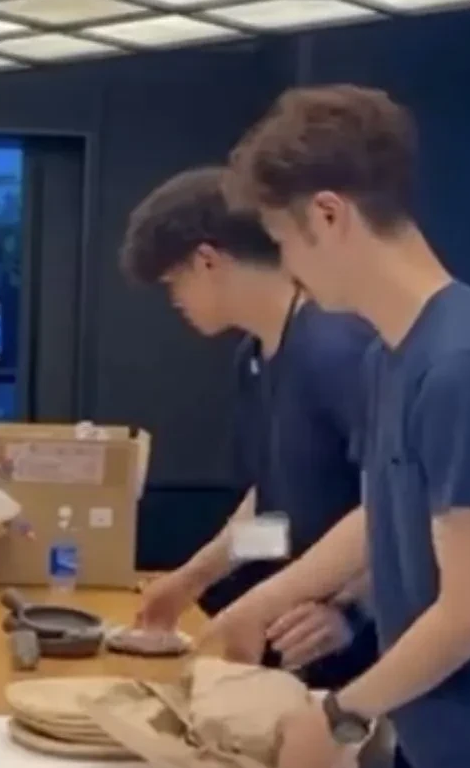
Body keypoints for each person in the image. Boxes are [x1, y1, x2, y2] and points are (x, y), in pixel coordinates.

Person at [206, 84, 470, 768]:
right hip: (439, 764)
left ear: (329, 215)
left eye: (284, 243)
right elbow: (376, 515)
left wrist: (341, 713)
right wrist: (250, 605)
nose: (289, 268)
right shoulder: (395, 356)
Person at [123, 166, 377, 690]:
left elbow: (404, 505)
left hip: (371, 644)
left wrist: (353, 608)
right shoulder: (253, 358)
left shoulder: (336, 347)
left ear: (207, 261)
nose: (175, 302)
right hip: (300, 636)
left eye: (173, 283)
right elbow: (277, 513)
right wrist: (192, 579)